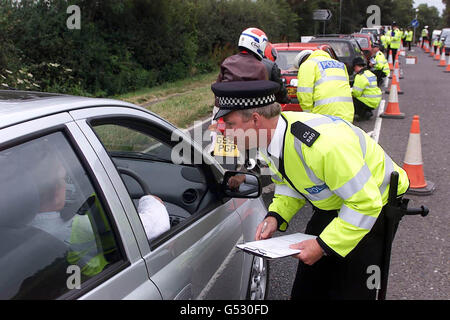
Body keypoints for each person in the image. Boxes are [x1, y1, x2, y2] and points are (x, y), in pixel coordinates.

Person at [211, 79, 410, 300]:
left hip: (375, 207)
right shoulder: (270, 138)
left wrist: (323, 245)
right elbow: (288, 183)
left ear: (256, 120)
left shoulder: (322, 146)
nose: (224, 132)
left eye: (229, 124)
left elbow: (365, 203)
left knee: (353, 289)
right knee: (308, 285)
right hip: (337, 202)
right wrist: (276, 216)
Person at [294, 49, 354, 123]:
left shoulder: (307, 65)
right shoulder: (340, 64)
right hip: (347, 112)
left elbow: (304, 93)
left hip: (324, 114)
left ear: (301, 62)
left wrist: (308, 113)